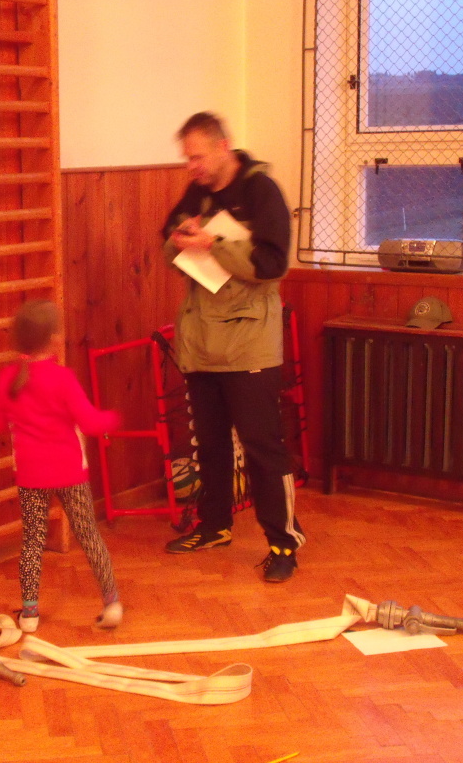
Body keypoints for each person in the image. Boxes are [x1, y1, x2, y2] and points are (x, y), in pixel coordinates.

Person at [160, 111, 305, 582]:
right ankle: (215, 526)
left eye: (198, 157)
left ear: (223, 147)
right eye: (187, 159)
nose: (192, 167)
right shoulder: (199, 192)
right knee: (210, 445)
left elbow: (273, 264)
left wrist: (213, 243)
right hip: (201, 342)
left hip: (248, 346)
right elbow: (168, 238)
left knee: (263, 449)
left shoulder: (262, 191)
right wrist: (180, 240)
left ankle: (283, 543)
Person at [0, 300, 123, 631]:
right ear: (53, 339)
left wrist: (2, 404)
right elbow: (89, 422)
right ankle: (111, 603)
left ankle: (29, 613)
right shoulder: (62, 378)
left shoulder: (8, 379)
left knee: (32, 542)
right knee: (88, 535)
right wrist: (113, 418)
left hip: (31, 475)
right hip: (70, 472)